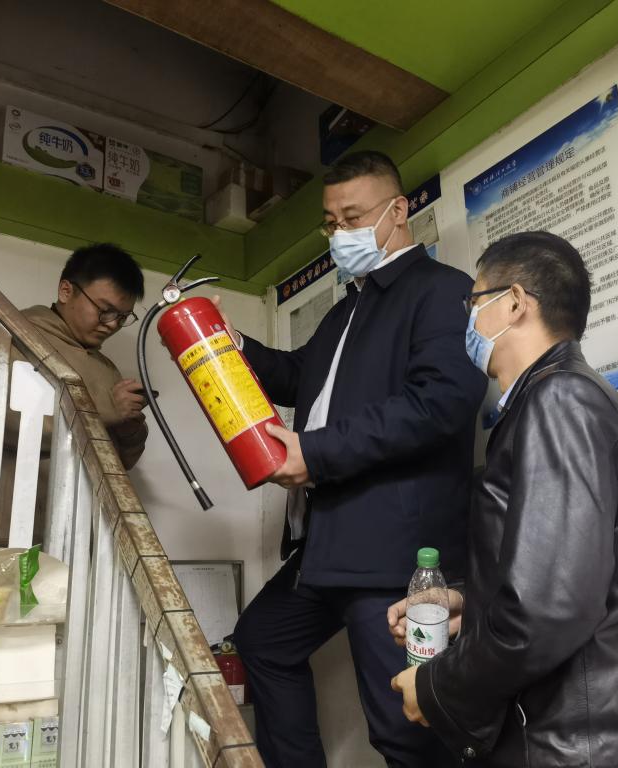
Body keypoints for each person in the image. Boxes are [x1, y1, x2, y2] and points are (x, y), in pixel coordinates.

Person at [388, 231, 618, 768]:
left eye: (473, 302)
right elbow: (561, 575)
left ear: (514, 302)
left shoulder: (560, 399)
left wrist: (438, 687)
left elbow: (548, 610)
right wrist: (471, 605)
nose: (468, 320)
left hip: (584, 747)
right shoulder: (551, 400)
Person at [223, 151, 486, 768]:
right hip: (330, 543)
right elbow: (300, 378)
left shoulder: (443, 291)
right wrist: (233, 346)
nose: (340, 233)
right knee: (263, 640)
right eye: (330, 222)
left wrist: (315, 453)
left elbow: (441, 403)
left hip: (399, 556)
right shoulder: (347, 308)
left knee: (405, 725)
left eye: (353, 217)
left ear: (399, 211)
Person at [0, 243, 148, 545]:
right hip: (19, 532)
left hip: (88, 535)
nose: (111, 325)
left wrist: (129, 428)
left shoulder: (106, 367)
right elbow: (4, 418)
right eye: (105, 310)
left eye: (122, 317)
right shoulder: (19, 339)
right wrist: (105, 411)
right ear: (66, 291)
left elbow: (121, 462)